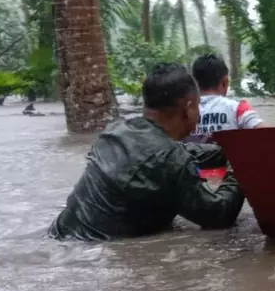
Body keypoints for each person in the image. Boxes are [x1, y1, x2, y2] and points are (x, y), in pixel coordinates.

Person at [49, 62, 246, 241]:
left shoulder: (116, 130)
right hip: (90, 252)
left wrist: (230, 150)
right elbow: (219, 215)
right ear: (189, 108)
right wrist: (240, 168)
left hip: (60, 236)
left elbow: (176, 153)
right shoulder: (170, 159)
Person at [190, 53, 275, 135]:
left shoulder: (184, 113)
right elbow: (273, 135)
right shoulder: (238, 109)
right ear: (224, 82)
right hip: (231, 174)